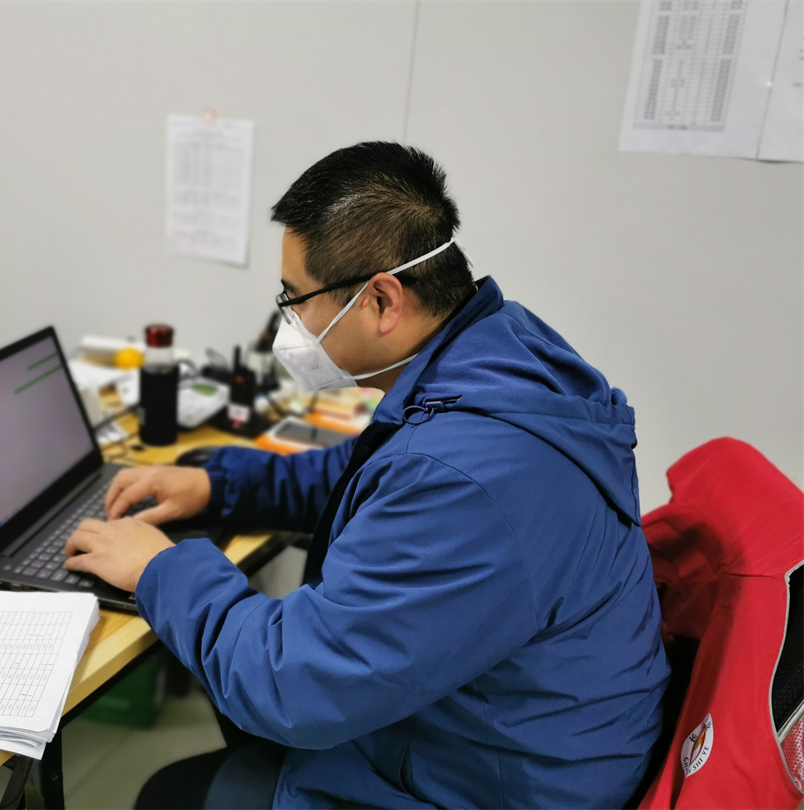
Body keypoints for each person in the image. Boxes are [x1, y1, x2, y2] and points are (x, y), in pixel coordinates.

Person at [65, 142, 670, 808]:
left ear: (383, 300)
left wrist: (160, 568)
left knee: (169, 792)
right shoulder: (498, 348)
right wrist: (221, 485)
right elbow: (381, 470)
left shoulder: (468, 482)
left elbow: (289, 686)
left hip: (492, 787)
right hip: (506, 734)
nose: (290, 323)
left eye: (296, 298)